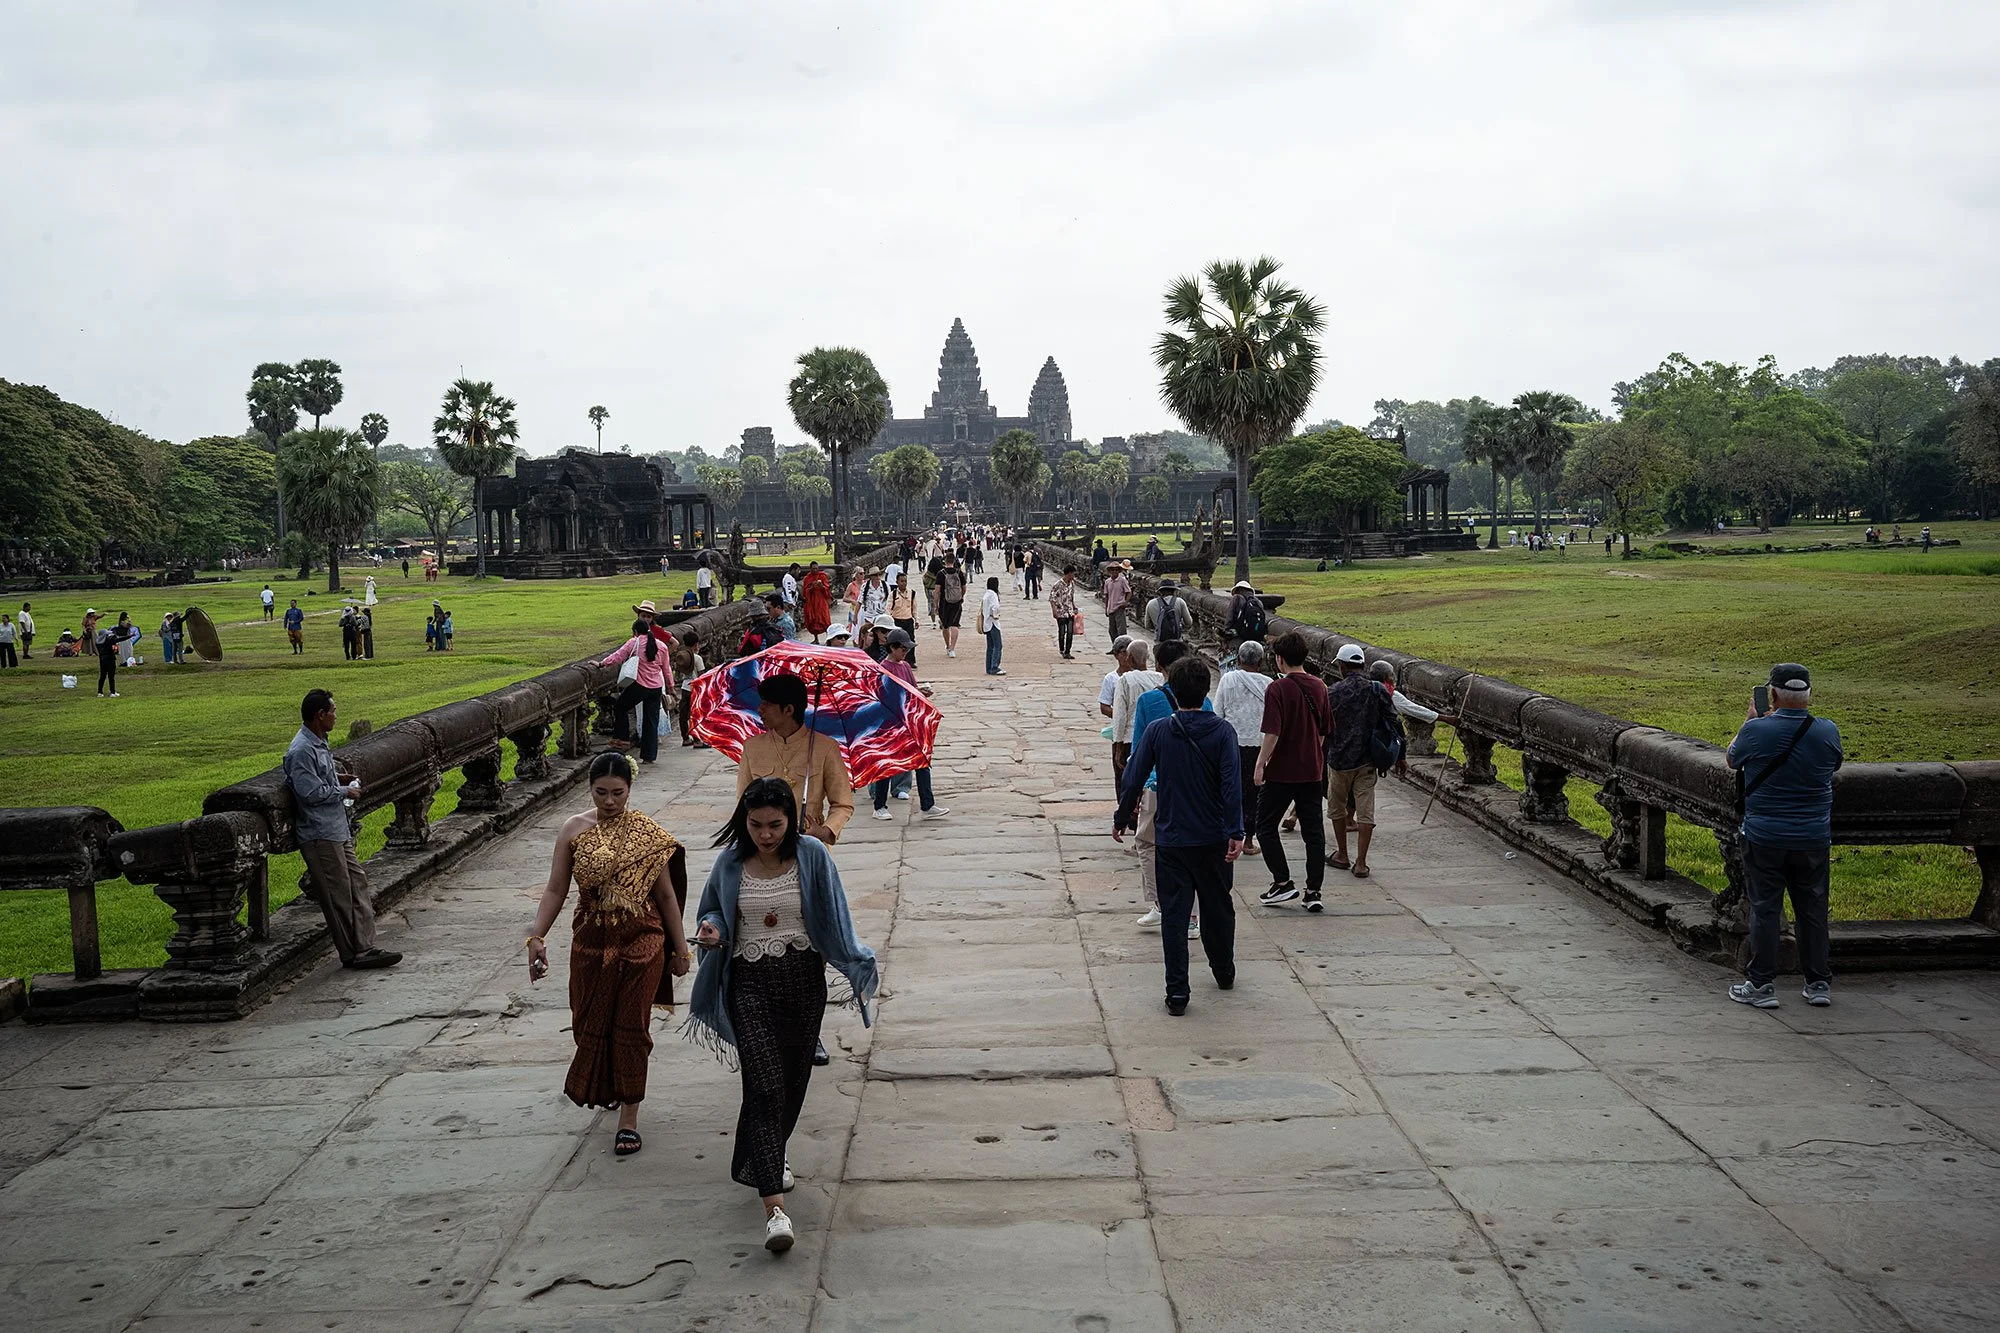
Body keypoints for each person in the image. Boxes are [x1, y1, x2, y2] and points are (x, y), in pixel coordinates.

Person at [686, 778, 879, 1254]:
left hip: (802, 982)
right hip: (748, 983)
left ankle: (761, 1153)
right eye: (756, 825)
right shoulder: (730, 862)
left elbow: (834, 912)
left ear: (791, 820)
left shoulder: (812, 855)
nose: (766, 834)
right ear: (744, 822)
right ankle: (774, 1208)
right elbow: (712, 912)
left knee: (791, 1083)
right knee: (765, 1083)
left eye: (775, 824)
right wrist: (711, 929)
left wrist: (854, 957)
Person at [527, 752, 692, 1155]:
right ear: (589, 788)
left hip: (642, 937)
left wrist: (681, 948)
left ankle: (629, 1116)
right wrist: (537, 937)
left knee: (631, 1025)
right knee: (586, 1021)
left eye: (618, 792)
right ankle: (609, 1082)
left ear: (630, 790)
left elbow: (666, 896)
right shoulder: (573, 829)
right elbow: (555, 889)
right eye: (601, 792)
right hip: (591, 937)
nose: (610, 801)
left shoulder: (647, 835)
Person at [1115, 656, 1244, 1015]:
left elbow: (1133, 777)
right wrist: (1236, 830)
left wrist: (1122, 817)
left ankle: (1177, 993)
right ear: (1206, 690)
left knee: (1174, 916)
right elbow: (1231, 786)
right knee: (1218, 907)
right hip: (1213, 836)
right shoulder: (1223, 732)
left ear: (1172, 688)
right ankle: (1223, 968)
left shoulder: (1159, 731)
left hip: (1172, 838)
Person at [1726, 664, 1843, 1009]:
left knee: (1765, 909)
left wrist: (1750, 720)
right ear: (1809, 695)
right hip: (1813, 836)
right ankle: (1818, 983)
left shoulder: (1756, 730)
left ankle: (1761, 985)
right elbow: (1835, 765)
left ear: (1772, 695)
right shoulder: (1827, 730)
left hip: (1765, 835)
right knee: (1813, 910)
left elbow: (1732, 759)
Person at [283, 688, 402, 970]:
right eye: (333, 711)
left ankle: (365, 946)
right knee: (338, 895)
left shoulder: (318, 742)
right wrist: (344, 790)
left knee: (357, 884)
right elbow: (309, 792)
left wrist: (339, 779)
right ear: (320, 715)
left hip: (336, 827)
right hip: (320, 833)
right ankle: (354, 952)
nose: (336, 716)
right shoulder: (301, 750)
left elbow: (319, 779)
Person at [1128, 641, 1208, 936]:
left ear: (1159, 666)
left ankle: (1161, 903)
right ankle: (1192, 916)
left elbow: (1139, 750)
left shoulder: (1149, 701)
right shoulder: (1205, 702)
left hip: (1157, 782)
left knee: (1147, 842)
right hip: (1196, 786)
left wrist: (1133, 791)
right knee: (1192, 849)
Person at [1255, 631, 1332, 911]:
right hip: (1311, 770)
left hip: (1282, 771)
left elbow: (1272, 732)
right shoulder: (1320, 686)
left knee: (1265, 826)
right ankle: (1314, 891)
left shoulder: (1277, 689)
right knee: (1313, 833)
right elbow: (1323, 731)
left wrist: (1260, 763)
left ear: (1279, 659)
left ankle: (1282, 881)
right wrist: (1311, 753)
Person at [736, 672, 854, 845]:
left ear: (788, 710)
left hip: (810, 843)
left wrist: (824, 832)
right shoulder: (752, 747)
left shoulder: (825, 747)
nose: (760, 709)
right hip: (765, 844)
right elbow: (743, 801)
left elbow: (842, 803)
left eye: (767, 704)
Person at [1323, 643, 1389, 879]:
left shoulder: (1332, 692)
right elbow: (1393, 722)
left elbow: (1322, 726)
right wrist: (1399, 756)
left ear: (1342, 666)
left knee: (1337, 808)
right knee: (1365, 811)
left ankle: (1342, 853)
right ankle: (1361, 862)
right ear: (1362, 665)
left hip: (1339, 759)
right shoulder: (1376, 690)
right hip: (1368, 759)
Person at [868, 630, 948, 821]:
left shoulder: (904, 666)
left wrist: (920, 693)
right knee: (887, 764)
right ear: (892, 648)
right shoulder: (883, 669)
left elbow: (911, 689)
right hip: (891, 724)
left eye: (907, 649)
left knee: (922, 762)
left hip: (909, 721)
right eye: (903, 649)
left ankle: (927, 805)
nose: (905, 653)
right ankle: (879, 806)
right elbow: (883, 697)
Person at [595, 604, 676, 765]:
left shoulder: (634, 642)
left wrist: (601, 664)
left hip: (640, 685)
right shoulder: (661, 646)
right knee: (651, 721)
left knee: (621, 707)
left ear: (635, 631)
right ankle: (649, 755)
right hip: (656, 687)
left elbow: (617, 656)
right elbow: (666, 670)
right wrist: (671, 688)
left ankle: (622, 739)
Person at [1215, 639, 1273, 857]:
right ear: (1261, 661)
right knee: (1254, 793)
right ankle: (1248, 840)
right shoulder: (1269, 684)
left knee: (1230, 790)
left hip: (1232, 743)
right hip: (1259, 746)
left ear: (1238, 659)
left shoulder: (1228, 679)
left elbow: (1218, 713)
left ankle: (1227, 834)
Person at [670, 628, 705, 749]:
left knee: (683, 714)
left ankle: (685, 738)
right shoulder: (697, 658)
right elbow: (701, 675)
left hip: (685, 687)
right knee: (695, 714)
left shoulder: (682, 657)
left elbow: (678, 673)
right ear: (696, 645)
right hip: (695, 688)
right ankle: (697, 740)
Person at [936, 556, 966, 658]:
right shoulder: (959, 572)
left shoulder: (941, 573)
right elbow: (964, 588)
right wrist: (960, 596)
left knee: (945, 625)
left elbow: (937, 591)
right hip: (957, 601)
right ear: (954, 561)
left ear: (945, 561)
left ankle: (948, 646)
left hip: (944, 602)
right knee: (955, 624)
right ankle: (952, 649)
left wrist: (936, 605)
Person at [1147, 579, 1192, 646]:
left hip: (1160, 642)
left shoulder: (1151, 603)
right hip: (1177, 641)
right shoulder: (1180, 602)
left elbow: (1147, 625)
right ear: (1174, 591)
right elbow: (1189, 622)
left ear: (1160, 591)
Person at [1049, 565, 1080, 659]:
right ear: (1069, 573)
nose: (1074, 576)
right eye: (1073, 574)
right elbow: (1052, 598)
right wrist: (1054, 611)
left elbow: (1071, 597)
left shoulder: (1072, 584)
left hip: (1069, 611)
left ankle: (1067, 651)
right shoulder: (1058, 584)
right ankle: (1062, 648)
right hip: (1061, 611)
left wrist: (1074, 606)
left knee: (1070, 632)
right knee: (1062, 632)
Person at [800, 561, 833, 643]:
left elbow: (827, 588)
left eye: (816, 569)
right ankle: (816, 639)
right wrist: (811, 588)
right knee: (813, 620)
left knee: (825, 619)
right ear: (810, 569)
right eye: (813, 569)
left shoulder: (822, 576)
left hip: (821, 601)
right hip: (812, 602)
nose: (815, 570)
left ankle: (829, 638)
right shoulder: (807, 578)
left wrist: (822, 586)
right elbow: (805, 591)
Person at [890, 573, 919, 665]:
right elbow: (888, 608)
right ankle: (898, 659)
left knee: (911, 640)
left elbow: (914, 608)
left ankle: (911, 661)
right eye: (901, 581)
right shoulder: (893, 594)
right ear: (897, 582)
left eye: (905, 581)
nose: (904, 583)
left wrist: (916, 620)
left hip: (908, 620)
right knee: (897, 642)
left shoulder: (912, 593)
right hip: (897, 621)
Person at [980, 575, 1004, 676]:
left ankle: (989, 667)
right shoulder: (993, 595)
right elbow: (995, 607)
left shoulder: (986, 594)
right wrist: (996, 614)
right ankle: (994, 667)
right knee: (998, 645)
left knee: (990, 646)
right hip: (993, 622)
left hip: (986, 622)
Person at [1102, 562, 1132, 640]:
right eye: (1113, 570)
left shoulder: (1122, 580)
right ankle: (1115, 645)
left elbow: (1129, 592)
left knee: (1121, 630)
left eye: (1116, 570)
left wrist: (1125, 602)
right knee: (1112, 630)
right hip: (1111, 608)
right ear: (1110, 571)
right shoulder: (1107, 582)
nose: (1114, 572)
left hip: (1119, 607)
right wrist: (1106, 608)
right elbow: (1107, 596)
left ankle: (1122, 645)